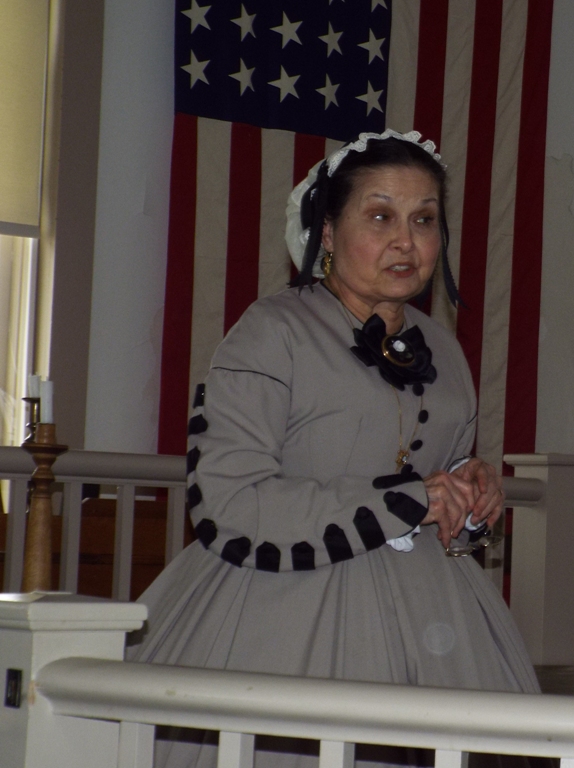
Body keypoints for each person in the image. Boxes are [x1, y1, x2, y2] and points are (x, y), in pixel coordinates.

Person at [128, 130, 539, 767]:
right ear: (326, 230)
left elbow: (434, 474)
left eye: (424, 219)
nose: (406, 241)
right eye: (380, 217)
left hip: (437, 613)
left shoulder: (444, 348)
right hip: (282, 608)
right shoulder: (272, 332)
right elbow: (229, 500)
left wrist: (468, 486)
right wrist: (410, 500)